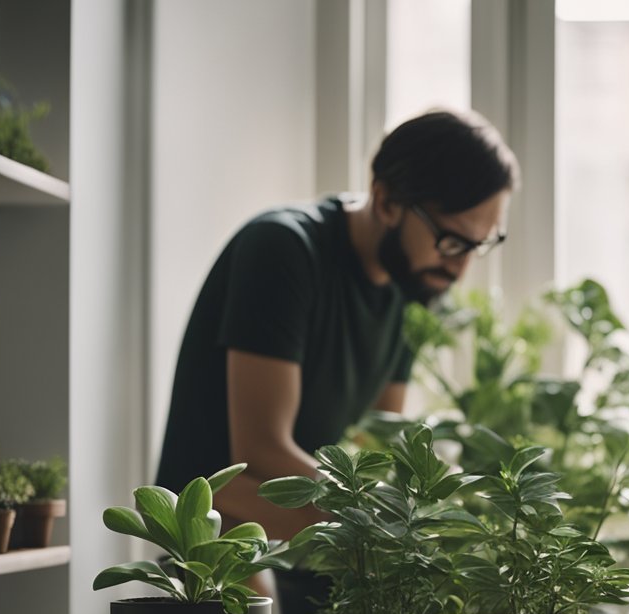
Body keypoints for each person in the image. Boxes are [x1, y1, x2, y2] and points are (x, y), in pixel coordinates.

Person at [155, 109, 519, 540]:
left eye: (478, 246)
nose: (460, 269)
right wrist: (389, 515)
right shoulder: (283, 250)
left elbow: (374, 441)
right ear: (385, 202)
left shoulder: (414, 286)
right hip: (217, 525)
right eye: (452, 241)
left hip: (316, 527)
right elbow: (259, 452)